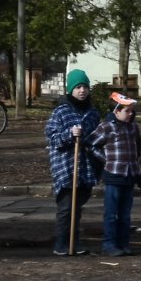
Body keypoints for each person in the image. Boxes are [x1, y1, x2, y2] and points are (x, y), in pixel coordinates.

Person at [47, 69, 101, 256]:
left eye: (85, 86)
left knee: (77, 206)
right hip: (66, 166)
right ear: (70, 90)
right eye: (78, 87)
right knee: (66, 206)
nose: (82, 90)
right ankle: (61, 243)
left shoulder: (93, 113)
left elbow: (97, 137)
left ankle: (74, 240)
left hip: (86, 167)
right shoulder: (60, 112)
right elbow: (52, 138)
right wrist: (69, 134)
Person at [89, 91, 141, 256]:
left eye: (131, 110)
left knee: (125, 214)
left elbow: (138, 145)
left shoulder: (133, 127)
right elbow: (91, 145)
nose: (130, 113)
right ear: (116, 111)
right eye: (127, 111)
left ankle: (124, 243)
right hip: (113, 175)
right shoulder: (106, 127)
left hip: (129, 175)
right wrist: (106, 159)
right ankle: (109, 245)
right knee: (111, 214)